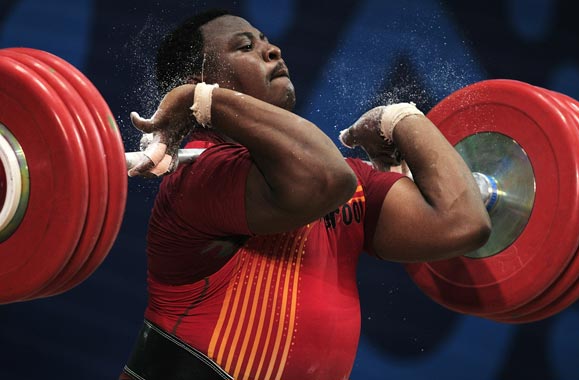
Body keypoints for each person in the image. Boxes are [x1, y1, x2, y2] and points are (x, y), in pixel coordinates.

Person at [119, 8, 491, 380]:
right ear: (202, 81)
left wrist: (400, 118)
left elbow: (462, 223)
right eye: (245, 46)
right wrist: (200, 100)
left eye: (267, 41)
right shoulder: (199, 178)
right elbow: (325, 180)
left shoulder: (346, 180)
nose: (273, 50)